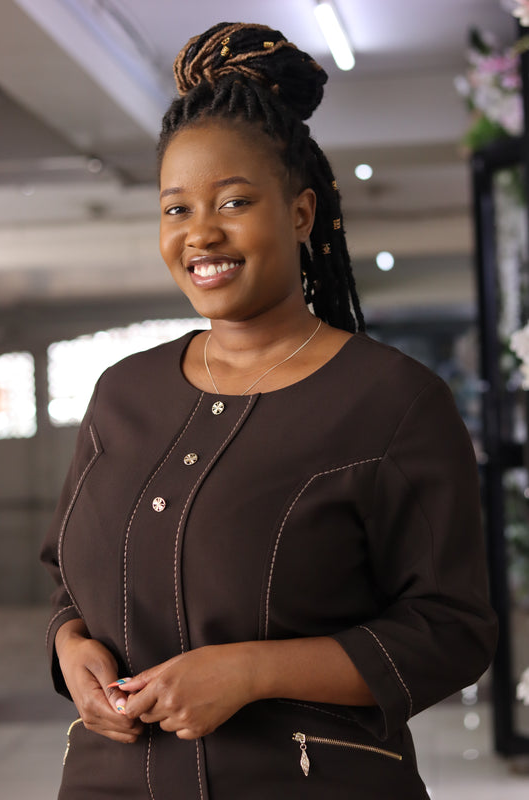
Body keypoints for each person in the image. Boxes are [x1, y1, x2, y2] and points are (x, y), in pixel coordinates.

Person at [41, 22, 497, 800]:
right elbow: (67, 573)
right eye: (176, 209)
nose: (201, 233)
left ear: (299, 212)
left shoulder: (392, 401)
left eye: (234, 201)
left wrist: (250, 671)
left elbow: (452, 629)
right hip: (108, 782)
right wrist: (69, 645)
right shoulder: (123, 391)